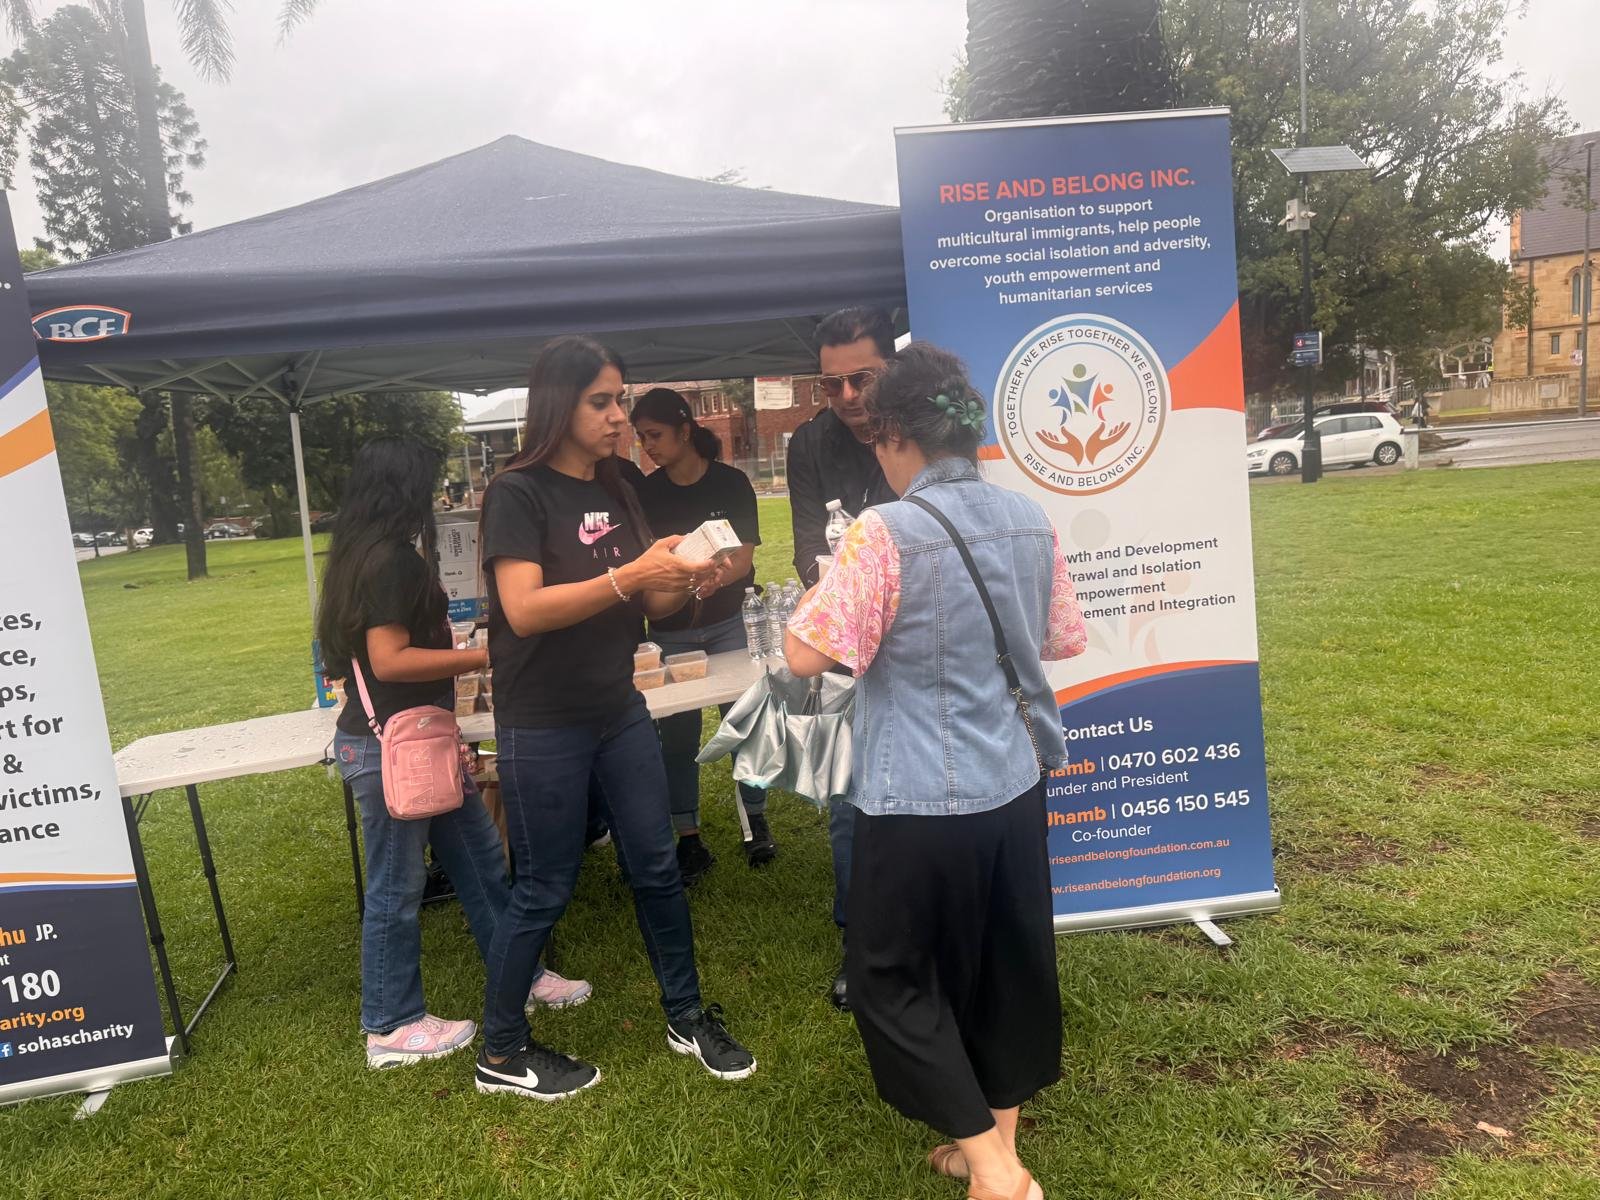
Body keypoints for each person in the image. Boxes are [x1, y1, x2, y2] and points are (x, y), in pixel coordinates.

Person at [785, 343, 1088, 1200]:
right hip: (1014, 781)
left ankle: (994, 1169)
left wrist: (827, 586)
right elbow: (1061, 637)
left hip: (916, 795)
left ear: (894, 437)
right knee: (1005, 969)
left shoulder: (883, 531)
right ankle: (991, 1145)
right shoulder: (1028, 517)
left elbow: (805, 654)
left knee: (891, 976)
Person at [475, 335, 756, 1101]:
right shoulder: (517, 493)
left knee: (657, 864)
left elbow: (650, 597)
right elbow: (524, 610)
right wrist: (630, 573)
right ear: (557, 404)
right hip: (543, 720)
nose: (617, 417)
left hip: (618, 708)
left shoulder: (618, 486)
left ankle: (687, 1016)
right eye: (600, 402)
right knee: (544, 886)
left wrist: (689, 576)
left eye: (620, 401)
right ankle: (500, 1049)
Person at [319, 437, 590, 1071]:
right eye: (429, 484)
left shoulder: (361, 554)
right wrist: (485, 655)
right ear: (404, 490)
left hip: (418, 742)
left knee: (481, 862)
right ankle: (390, 1025)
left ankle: (522, 974)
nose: (438, 498)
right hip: (392, 750)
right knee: (396, 888)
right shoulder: (389, 562)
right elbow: (389, 660)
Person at [786, 305, 898, 1011]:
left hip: (917, 647)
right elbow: (806, 548)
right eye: (832, 384)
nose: (849, 396)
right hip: (844, 649)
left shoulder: (918, 427)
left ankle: (926, 933)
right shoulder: (809, 444)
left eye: (864, 378)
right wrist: (841, 593)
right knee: (850, 802)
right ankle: (860, 945)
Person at [630, 387, 775, 881]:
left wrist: (717, 577)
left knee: (744, 724)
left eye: (655, 435)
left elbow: (744, 558)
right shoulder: (647, 493)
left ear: (685, 430)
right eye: (641, 437)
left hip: (730, 623)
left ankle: (756, 821)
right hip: (670, 633)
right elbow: (647, 572)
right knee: (676, 737)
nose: (647, 446)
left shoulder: (731, 483)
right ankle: (688, 837)